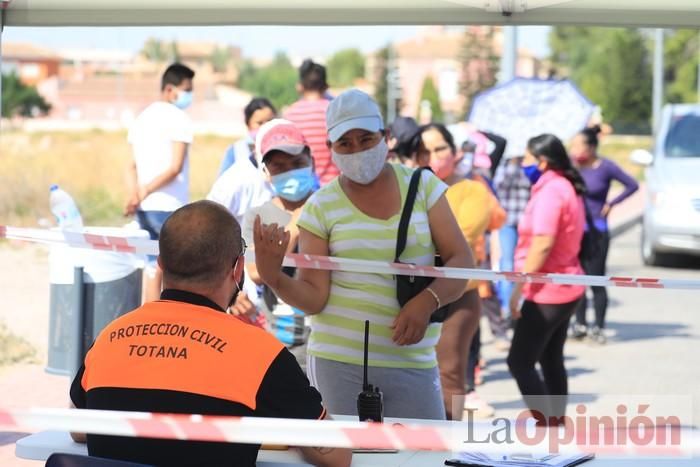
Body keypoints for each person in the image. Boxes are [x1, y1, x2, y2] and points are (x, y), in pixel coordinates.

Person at [70, 200, 351, 467]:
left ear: (161, 264)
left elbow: (78, 429)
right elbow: (334, 455)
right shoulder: (259, 353)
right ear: (238, 268)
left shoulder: (110, 337)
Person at [254, 89, 473, 420]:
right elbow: (314, 298)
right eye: (345, 143)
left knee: (423, 456)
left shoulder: (423, 188)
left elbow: (462, 261)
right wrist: (274, 277)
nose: (357, 150)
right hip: (337, 363)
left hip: (412, 361)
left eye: (366, 139)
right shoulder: (321, 206)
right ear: (330, 150)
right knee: (347, 458)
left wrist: (427, 300)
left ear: (386, 138)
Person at [412, 123, 504, 420]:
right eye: (424, 151)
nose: (433, 156)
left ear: (454, 152)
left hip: (458, 297)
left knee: (449, 376)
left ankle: (449, 447)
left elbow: (459, 239)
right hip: (409, 293)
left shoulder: (473, 190)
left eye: (440, 148)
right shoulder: (405, 189)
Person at [507, 134, 586, 425]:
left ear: (542, 161)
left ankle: (548, 425)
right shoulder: (562, 185)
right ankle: (556, 423)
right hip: (566, 285)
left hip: (548, 292)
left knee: (519, 362)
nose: (522, 164)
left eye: (526, 158)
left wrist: (519, 288)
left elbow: (543, 241)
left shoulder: (552, 191)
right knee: (551, 358)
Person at [241, 119, 317, 365]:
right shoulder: (258, 216)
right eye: (279, 167)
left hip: (324, 345)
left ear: (311, 161)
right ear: (265, 172)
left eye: (297, 163)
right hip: (277, 345)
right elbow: (254, 271)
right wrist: (297, 222)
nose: (290, 171)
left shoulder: (329, 209)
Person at [125, 63, 195, 303]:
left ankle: (147, 320)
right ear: (169, 89)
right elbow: (175, 168)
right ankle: (160, 323)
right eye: (186, 89)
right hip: (169, 206)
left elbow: (131, 166)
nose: (189, 94)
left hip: (144, 208)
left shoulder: (142, 118)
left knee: (150, 267)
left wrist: (136, 196)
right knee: (168, 271)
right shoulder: (179, 118)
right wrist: (145, 190)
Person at [570, 125, 639, 344]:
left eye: (578, 145)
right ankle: (579, 324)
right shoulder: (572, 168)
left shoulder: (605, 167)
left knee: (596, 280)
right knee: (576, 279)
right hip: (575, 232)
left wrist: (612, 203)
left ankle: (598, 327)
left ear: (591, 147)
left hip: (597, 232)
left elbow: (632, 185)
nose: (574, 149)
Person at [284, 59, 338, 185]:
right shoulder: (335, 113)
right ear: (326, 86)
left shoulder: (289, 115)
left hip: (302, 191)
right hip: (334, 189)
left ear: (299, 86)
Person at [494, 154, 532, 324]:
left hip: (526, 222)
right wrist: (513, 165)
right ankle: (506, 306)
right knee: (507, 264)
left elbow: (533, 186)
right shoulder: (503, 165)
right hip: (507, 222)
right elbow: (500, 186)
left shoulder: (530, 167)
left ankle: (520, 301)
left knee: (524, 263)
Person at [218, 97, 277, 175]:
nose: (265, 126)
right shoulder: (236, 150)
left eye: (269, 121)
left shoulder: (283, 148)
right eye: (259, 123)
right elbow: (223, 183)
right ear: (248, 124)